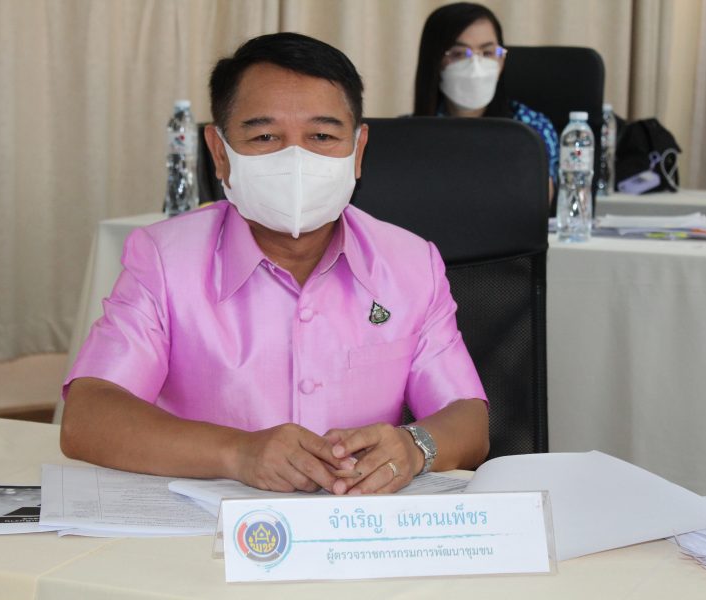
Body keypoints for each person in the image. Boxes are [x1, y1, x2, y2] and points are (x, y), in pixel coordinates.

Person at [60, 32, 489, 496]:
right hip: (206, 528)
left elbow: (468, 417)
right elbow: (88, 416)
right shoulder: (165, 260)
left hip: (358, 526)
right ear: (220, 152)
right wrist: (237, 453)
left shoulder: (411, 264)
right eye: (265, 136)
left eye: (322, 136)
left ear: (358, 150)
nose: (296, 159)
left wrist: (414, 446)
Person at [413, 2, 559, 198]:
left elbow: (538, 203)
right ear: (435, 62)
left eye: (488, 53)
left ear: (502, 61)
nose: (476, 66)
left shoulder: (531, 129)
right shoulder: (408, 133)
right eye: (459, 54)